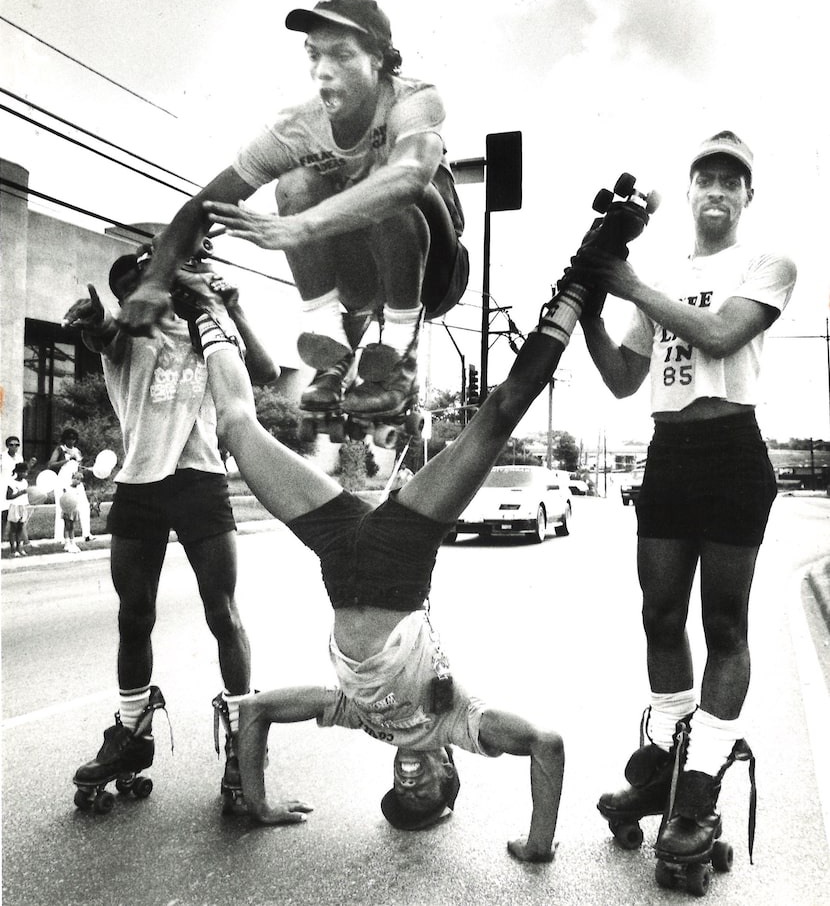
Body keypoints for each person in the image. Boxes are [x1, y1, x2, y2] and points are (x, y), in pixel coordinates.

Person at [177, 266, 594, 862]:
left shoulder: (363, 719)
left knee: (238, 428)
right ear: (450, 773)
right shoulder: (459, 724)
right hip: (401, 554)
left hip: (337, 552)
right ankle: (581, 284)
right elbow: (545, 743)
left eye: (402, 797)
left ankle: (203, 311)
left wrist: (259, 800)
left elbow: (259, 708)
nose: (409, 786)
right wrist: (538, 843)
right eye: (427, 793)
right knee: (497, 417)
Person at [575, 132, 796, 864]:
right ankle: (670, 767)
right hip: (669, 453)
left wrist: (629, 281)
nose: (717, 190)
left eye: (732, 181)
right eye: (707, 177)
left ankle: (699, 791)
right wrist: (592, 308)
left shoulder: (767, 265)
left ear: (746, 197)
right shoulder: (663, 274)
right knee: (660, 616)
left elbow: (721, 336)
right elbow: (620, 379)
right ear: (693, 186)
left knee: (724, 626)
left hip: (733, 453)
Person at [115, 0, 468, 423]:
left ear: (378, 59)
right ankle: (332, 346)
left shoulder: (414, 99)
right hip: (365, 274)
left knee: (384, 189)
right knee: (295, 184)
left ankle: (399, 360)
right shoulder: (298, 127)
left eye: (341, 56)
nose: (324, 73)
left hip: (436, 269)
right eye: (314, 56)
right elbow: (202, 206)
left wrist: (301, 227)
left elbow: (409, 178)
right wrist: (154, 281)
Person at [62, 256, 279, 806]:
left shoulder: (206, 326)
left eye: (148, 281)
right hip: (139, 484)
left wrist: (231, 307)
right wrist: (94, 318)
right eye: (128, 291)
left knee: (222, 613)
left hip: (199, 481)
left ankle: (241, 735)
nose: (144, 295)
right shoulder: (126, 335)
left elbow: (267, 370)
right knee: (133, 616)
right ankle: (133, 732)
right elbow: (102, 334)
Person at [49, 428, 93, 543]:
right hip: (62, 481)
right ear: (65, 439)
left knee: (84, 506)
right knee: (62, 508)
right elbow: (51, 464)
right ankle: (59, 537)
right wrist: (66, 460)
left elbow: (79, 467)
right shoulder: (60, 449)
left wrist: (80, 474)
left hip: (76, 482)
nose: (71, 441)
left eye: (73, 438)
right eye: (69, 438)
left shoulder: (77, 451)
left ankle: (87, 534)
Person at [2, 436, 37, 549]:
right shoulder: (2, 457)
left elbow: (23, 471)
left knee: (19, 517)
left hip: (16, 488)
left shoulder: (19, 457)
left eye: (17, 445)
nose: (14, 447)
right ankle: (1, 540)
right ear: (7, 446)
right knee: (4, 515)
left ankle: (23, 542)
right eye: (11, 444)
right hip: (4, 487)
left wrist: (30, 465)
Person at [5, 461, 32, 557]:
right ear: (18, 472)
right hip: (15, 506)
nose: (25, 474)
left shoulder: (25, 482)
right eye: (23, 472)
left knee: (20, 527)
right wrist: (20, 493)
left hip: (23, 505)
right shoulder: (12, 482)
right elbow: (8, 496)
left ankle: (19, 547)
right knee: (13, 528)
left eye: (26, 472)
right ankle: (13, 549)